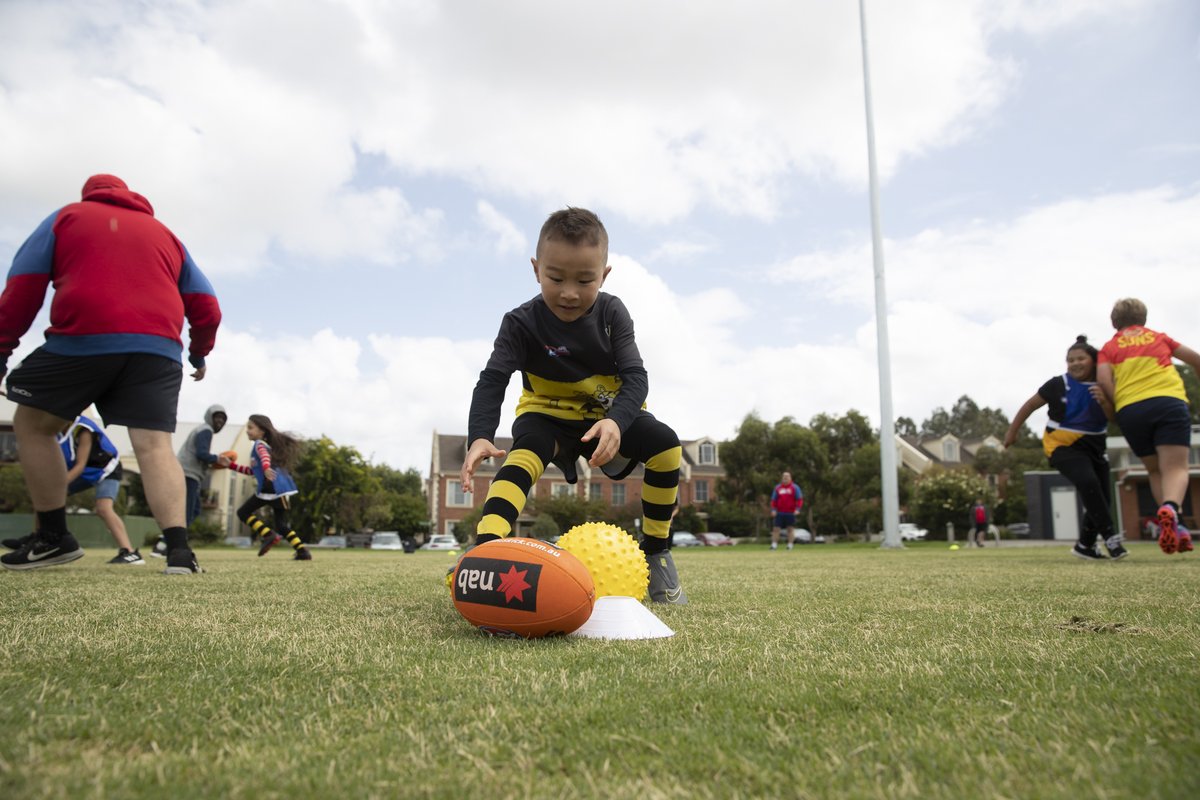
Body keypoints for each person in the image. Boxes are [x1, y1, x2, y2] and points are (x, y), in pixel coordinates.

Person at [459, 207, 686, 603]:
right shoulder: (519, 323)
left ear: (604, 275)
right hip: (545, 416)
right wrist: (479, 436)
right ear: (535, 269)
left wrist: (616, 422)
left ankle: (657, 552)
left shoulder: (613, 313)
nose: (568, 292)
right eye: (555, 277)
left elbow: (636, 377)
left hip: (607, 418)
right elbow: (493, 380)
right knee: (523, 456)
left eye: (585, 280)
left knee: (667, 447)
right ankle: (485, 553)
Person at [0, 174, 220, 573]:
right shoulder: (166, 235)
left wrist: (2, 351)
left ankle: (52, 537)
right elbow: (207, 305)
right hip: (157, 352)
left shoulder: (66, 217)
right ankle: (180, 553)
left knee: (33, 424)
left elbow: (23, 286)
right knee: (155, 446)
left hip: (82, 341)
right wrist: (199, 354)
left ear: (90, 195)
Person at [1004, 335, 1125, 560]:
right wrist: (1013, 431)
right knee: (1088, 483)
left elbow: (1114, 419)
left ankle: (1085, 546)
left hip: (1095, 445)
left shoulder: (1106, 384)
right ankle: (1110, 538)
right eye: (1070, 360)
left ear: (1094, 361)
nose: (1075, 364)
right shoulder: (1058, 384)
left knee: (1102, 497)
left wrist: (1106, 402)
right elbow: (1030, 405)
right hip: (1061, 444)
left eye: (1081, 359)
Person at [1097, 298, 1200, 555]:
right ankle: (1170, 508)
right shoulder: (1160, 338)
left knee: (1154, 470)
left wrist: (1119, 405)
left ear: (1114, 323)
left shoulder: (1109, 348)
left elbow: (1103, 380)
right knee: (1175, 467)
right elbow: (1196, 360)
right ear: (1143, 318)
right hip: (1168, 402)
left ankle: (1176, 526)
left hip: (1131, 409)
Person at [2, 414, 145, 564]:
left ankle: (129, 552)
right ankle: (40, 537)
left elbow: (80, 466)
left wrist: (57, 485)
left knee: (103, 508)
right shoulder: (52, 431)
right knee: (46, 496)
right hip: (85, 473)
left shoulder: (82, 429)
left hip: (105, 470)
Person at [228, 414, 311, 561]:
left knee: (243, 512)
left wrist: (266, 467)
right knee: (281, 525)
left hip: (274, 489)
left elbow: (265, 456)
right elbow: (252, 471)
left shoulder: (260, 445)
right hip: (272, 489)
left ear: (262, 431)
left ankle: (268, 534)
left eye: (250, 428)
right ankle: (302, 551)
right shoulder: (259, 447)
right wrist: (230, 465)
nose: (247, 431)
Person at [152, 404, 231, 557]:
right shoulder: (205, 430)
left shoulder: (203, 430)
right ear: (210, 416)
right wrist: (218, 459)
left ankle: (168, 542)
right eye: (217, 417)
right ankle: (166, 545)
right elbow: (202, 453)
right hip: (188, 473)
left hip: (189, 473)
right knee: (186, 512)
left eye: (223, 419)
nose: (220, 421)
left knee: (194, 510)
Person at [769, 471, 804, 551]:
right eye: (784, 477)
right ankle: (774, 545)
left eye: (787, 477)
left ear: (790, 478)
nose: (785, 478)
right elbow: (773, 500)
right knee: (776, 529)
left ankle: (790, 545)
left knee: (790, 529)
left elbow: (799, 500)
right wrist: (773, 510)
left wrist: (797, 509)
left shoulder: (795, 487)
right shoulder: (778, 488)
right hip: (780, 512)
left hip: (790, 512)